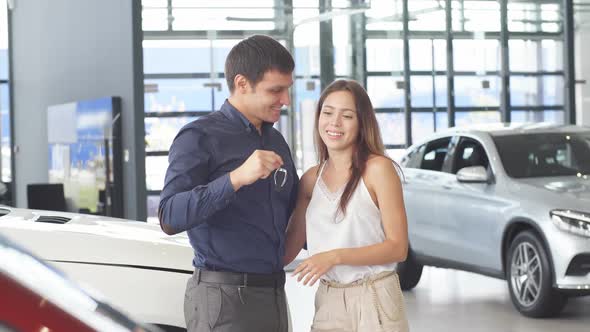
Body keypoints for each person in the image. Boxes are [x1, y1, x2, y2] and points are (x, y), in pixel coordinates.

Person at [158, 35, 298, 332]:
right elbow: (169, 216)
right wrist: (236, 178)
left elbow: (293, 215)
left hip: (273, 293)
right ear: (242, 83)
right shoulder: (199, 136)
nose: (286, 100)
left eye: (287, 89)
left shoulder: (275, 140)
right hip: (223, 300)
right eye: (276, 90)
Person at [284, 79, 409, 332]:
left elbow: (398, 248)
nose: (334, 123)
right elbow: (287, 251)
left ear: (362, 122)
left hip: (375, 295)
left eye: (347, 116)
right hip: (329, 299)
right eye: (327, 113)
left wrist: (334, 257)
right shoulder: (310, 180)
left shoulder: (378, 170)